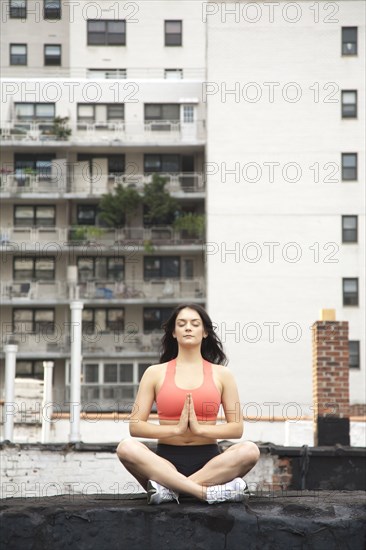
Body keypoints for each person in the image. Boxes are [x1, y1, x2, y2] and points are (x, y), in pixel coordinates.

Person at [116, 303, 260, 505]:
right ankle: (204, 493)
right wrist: (176, 429)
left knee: (250, 450)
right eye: (181, 324)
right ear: (174, 333)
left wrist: (200, 429)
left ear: (205, 332)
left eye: (195, 323)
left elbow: (236, 428)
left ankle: (170, 490)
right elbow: (135, 426)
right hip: (164, 463)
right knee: (126, 448)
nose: (188, 328)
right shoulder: (154, 373)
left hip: (211, 464)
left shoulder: (222, 374)